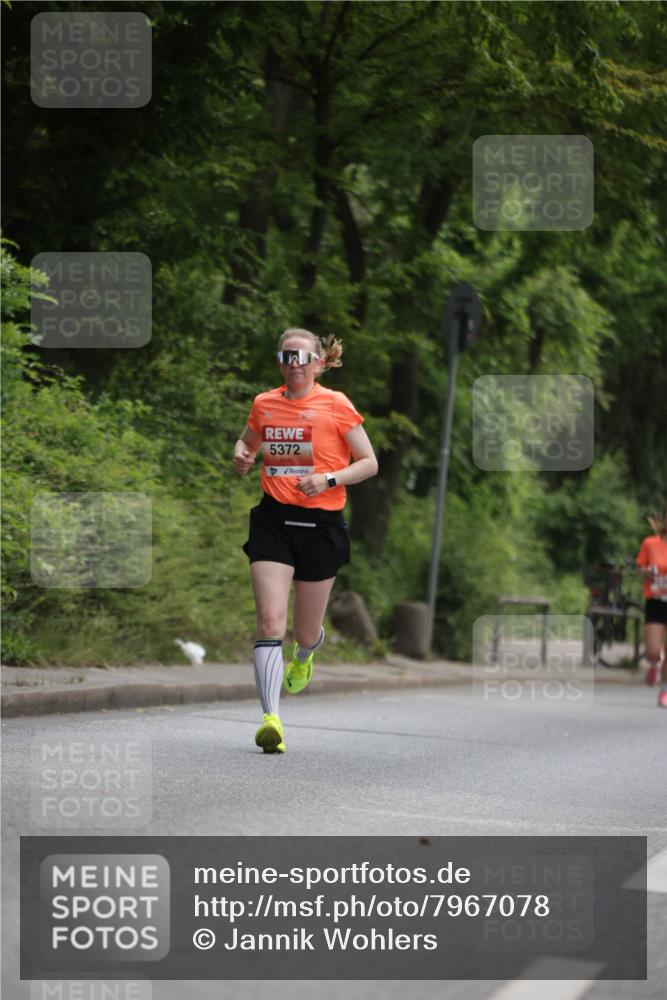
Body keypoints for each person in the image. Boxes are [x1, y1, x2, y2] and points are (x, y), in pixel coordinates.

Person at [233, 328, 379, 752]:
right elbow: (247, 443)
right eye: (286, 356)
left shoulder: (336, 405)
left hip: (322, 526)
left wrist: (329, 478)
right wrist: (241, 455)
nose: (294, 364)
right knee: (269, 623)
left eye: (302, 357)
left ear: (318, 363)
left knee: (304, 630)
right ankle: (271, 719)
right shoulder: (265, 403)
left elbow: (369, 462)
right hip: (273, 522)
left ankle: (306, 652)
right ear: (280, 362)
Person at [635, 507, 667, 706]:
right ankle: (655, 663)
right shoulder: (650, 543)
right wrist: (646, 571)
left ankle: (664, 690)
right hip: (655, 600)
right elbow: (639, 568)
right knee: (652, 651)